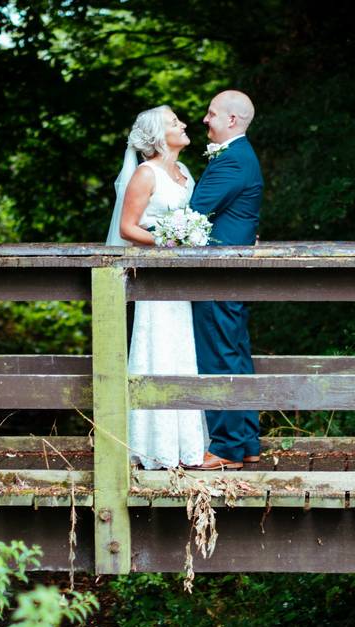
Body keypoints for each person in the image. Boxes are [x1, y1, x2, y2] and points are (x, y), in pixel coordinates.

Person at [105, 105, 208, 469]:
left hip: (181, 278)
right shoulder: (145, 174)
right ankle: (154, 446)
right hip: (155, 276)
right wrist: (168, 239)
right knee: (157, 347)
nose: (183, 124)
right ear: (157, 136)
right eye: (174, 122)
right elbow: (127, 228)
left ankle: (186, 446)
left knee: (182, 349)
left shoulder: (184, 172)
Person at [188, 90, 263, 471]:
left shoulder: (232, 161)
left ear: (231, 121)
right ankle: (247, 441)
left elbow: (192, 215)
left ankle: (227, 447)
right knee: (234, 352)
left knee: (218, 355)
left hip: (217, 272)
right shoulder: (241, 157)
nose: (205, 119)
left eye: (211, 113)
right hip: (230, 272)